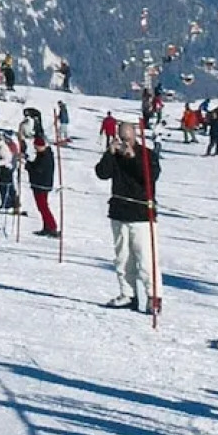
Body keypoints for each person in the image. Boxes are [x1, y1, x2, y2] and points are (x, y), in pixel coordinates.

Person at [96, 121, 161, 313]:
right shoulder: (115, 155)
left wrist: (133, 159)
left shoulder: (147, 154)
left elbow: (150, 177)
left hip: (142, 215)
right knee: (123, 258)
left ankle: (154, 297)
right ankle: (128, 294)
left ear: (135, 136)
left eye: (128, 139)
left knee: (146, 259)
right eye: (122, 138)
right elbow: (102, 173)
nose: (125, 143)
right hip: (119, 212)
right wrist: (109, 153)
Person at [26, 136, 59, 237]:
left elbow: (39, 169)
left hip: (41, 185)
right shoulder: (42, 154)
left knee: (43, 207)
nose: (35, 149)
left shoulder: (45, 156)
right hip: (40, 184)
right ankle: (46, 227)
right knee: (42, 207)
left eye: (36, 147)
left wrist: (29, 167)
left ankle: (52, 227)